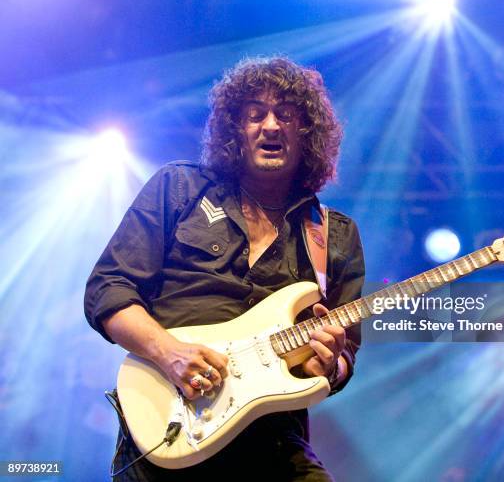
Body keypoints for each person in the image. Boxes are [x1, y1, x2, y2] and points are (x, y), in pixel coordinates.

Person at [84, 56, 365, 481]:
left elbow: (344, 358)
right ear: (235, 129)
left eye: (285, 115)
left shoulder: (334, 233)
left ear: (307, 132)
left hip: (272, 439)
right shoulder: (178, 188)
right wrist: (168, 353)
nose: (270, 125)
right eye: (255, 114)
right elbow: (108, 289)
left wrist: (328, 365)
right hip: (169, 420)